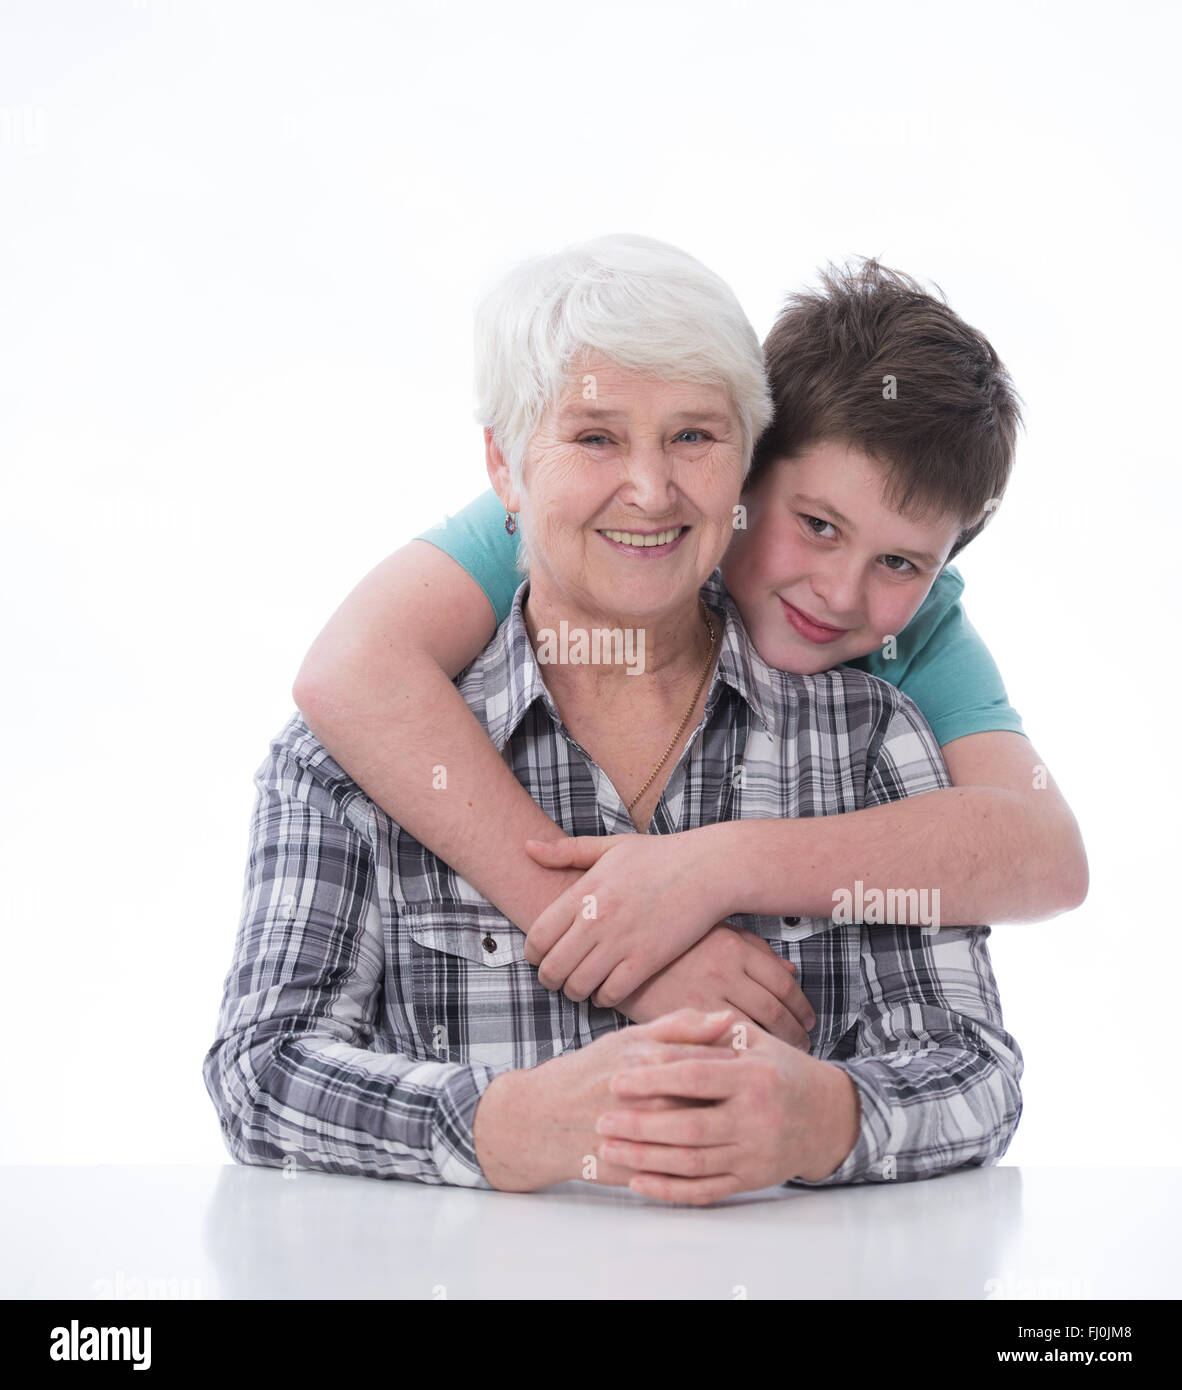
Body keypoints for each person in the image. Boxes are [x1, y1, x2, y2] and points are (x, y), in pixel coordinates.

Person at [204, 235, 1022, 1201]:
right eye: (594, 438)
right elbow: (260, 1079)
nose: (650, 489)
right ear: (505, 471)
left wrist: (825, 1116)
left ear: (742, 465)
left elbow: (974, 1063)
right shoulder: (348, 763)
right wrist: (510, 1125)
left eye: (694, 438)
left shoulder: (870, 738)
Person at [292, 256, 1088, 1010]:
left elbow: (1046, 852)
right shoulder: (605, 522)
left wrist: (719, 867)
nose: (840, 591)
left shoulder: (922, 622)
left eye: (900, 563)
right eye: (815, 524)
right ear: (740, 464)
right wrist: (603, 932)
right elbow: (352, 670)